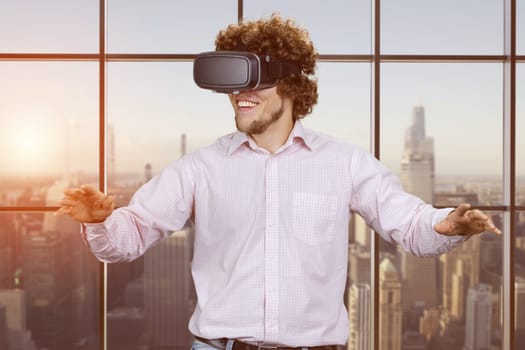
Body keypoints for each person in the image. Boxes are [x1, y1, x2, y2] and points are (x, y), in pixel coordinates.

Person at [56, 14, 501, 350]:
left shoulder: (344, 163)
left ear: (290, 82)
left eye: (254, 76)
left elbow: (406, 221)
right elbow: (128, 237)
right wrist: (100, 221)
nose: (239, 92)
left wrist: (446, 224)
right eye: (232, 80)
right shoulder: (199, 168)